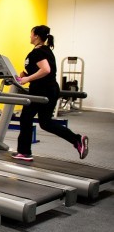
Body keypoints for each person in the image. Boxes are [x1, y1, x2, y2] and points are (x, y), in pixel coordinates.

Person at [13, 25, 89, 161]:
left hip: (41, 91)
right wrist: (25, 75)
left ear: (36, 36)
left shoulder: (38, 52)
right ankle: (77, 140)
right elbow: (42, 70)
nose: (29, 36)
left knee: (26, 118)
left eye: (31, 34)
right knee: (46, 122)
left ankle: (24, 152)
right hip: (50, 89)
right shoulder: (45, 50)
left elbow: (46, 70)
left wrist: (28, 79)